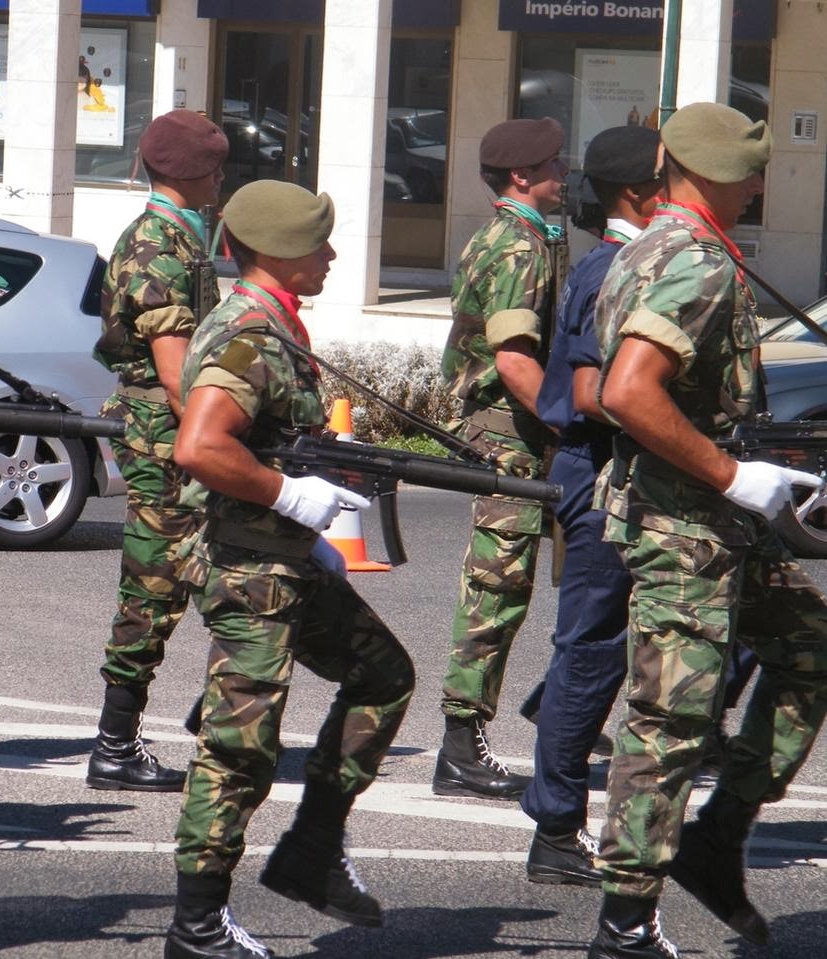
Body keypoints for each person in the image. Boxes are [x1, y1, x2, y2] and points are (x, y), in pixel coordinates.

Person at [587, 102, 827, 958]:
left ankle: (715, 839)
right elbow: (625, 390)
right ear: (712, 174)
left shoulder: (654, 243)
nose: (758, 185)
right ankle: (623, 923)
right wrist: (732, 474)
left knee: (808, 648)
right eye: (750, 173)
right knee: (670, 719)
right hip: (685, 524)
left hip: (710, 518)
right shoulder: (693, 261)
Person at [166, 179, 416, 958]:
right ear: (274, 251)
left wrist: (315, 483)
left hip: (281, 558)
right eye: (316, 242)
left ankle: (311, 846)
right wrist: (288, 496)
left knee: (382, 674)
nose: (332, 253)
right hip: (250, 571)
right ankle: (196, 926)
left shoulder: (272, 323)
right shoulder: (248, 334)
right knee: (238, 749)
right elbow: (200, 445)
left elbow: (265, 437)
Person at [519, 124, 661, 887]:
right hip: (601, 471)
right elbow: (585, 392)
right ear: (639, 193)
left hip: (622, 473)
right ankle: (554, 824)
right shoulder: (613, 268)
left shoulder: (627, 261)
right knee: (590, 649)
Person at [88, 109, 228, 792]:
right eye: (215, 169)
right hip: (166, 441)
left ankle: (221, 710)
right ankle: (115, 745)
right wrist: (222, 439)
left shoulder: (180, 236)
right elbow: (177, 377)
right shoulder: (156, 246)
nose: (222, 180)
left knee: (221, 572)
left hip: (177, 435)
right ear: (196, 174)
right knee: (153, 587)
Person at [434, 117, 567, 801]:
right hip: (510, 431)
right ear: (522, 176)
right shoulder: (516, 245)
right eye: (553, 164)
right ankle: (460, 744)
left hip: (521, 428)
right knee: (497, 587)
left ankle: (561, 703)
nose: (563, 173)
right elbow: (514, 363)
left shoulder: (523, 235)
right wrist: (571, 425)